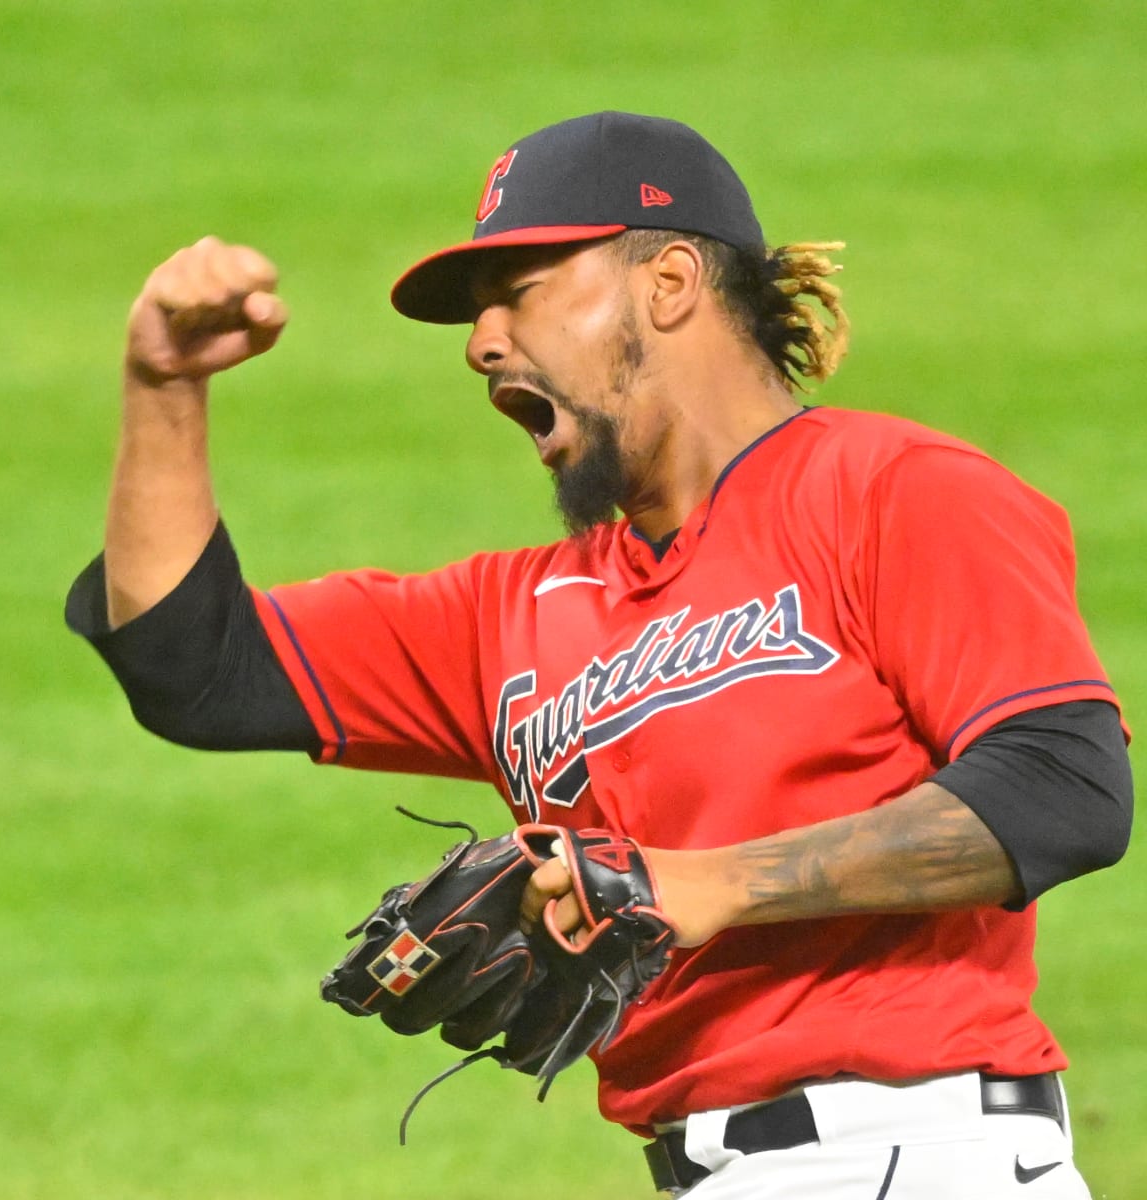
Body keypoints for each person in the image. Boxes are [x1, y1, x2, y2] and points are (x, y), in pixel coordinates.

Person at [66, 111, 1132, 1198]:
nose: (482, 342)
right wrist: (164, 387)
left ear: (668, 283)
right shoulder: (514, 610)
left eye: (519, 287)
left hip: (919, 1153)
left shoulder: (890, 490)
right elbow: (191, 667)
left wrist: (696, 883)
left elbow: (1063, 787)